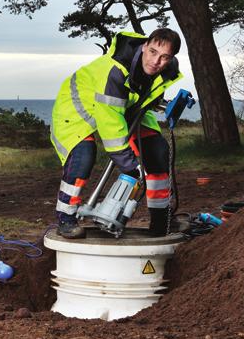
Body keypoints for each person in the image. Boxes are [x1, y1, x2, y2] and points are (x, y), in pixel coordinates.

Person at [50, 28, 184, 239]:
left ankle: (161, 220)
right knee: (83, 156)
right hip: (77, 107)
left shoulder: (166, 70)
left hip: (125, 107)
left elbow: (147, 98)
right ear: (144, 46)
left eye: (164, 57)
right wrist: (131, 167)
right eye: (152, 52)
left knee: (157, 151)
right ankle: (66, 218)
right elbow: (111, 127)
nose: (156, 61)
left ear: (171, 58)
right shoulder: (115, 71)